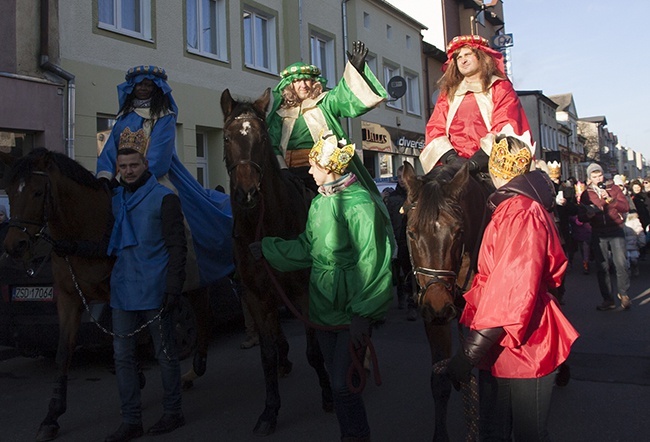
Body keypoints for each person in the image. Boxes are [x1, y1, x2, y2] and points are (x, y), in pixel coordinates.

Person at [254, 131, 393, 441]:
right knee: (335, 381)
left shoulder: (361, 206)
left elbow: (373, 261)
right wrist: (268, 248)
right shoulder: (319, 203)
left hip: (350, 312)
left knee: (344, 384)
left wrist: (363, 314)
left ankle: (357, 435)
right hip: (321, 310)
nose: (310, 172)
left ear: (330, 168)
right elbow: (308, 248)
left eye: (314, 167)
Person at [445, 135, 579, 441]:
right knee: (494, 430)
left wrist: (469, 353)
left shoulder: (520, 212)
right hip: (501, 340)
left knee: (528, 433)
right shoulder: (509, 208)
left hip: (525, 343)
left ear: (496, 169)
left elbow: (513, 289)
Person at [97, 65, 233, 288]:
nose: (143, 88)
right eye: (139, 84)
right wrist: (105, 177)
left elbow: (159, 155)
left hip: (157, 175)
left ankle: (188, 276)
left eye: (148, 84)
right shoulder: (123, 118)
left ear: (156, 88)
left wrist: (133, 175)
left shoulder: (164, 117)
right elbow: (110, 150)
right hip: (124, 176)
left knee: (177, 211)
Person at [104, 130, 187, 442]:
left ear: (145, 164)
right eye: (122, 166)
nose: (127, 171)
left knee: (165, 355)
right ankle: (131, 421)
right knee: (122, 358)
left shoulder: (165, 198)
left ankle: (173, 412)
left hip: (155, 289)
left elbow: (178, 247)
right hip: (122, 291)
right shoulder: (114, 201)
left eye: (133, 165)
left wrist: (173, 288)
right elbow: (104, 245)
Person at [266, 41, 389, 219]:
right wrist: (284, 171)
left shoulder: (325, 102)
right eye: (298, 80)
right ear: (289, 85)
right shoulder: (280, 114)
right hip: (288, 173)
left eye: (307, 79)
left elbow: (344, 95)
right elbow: (273, 144)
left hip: (325, 171)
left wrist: (355, 70)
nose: (303, 85)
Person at [422, 35, 534, 178]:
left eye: (468, 54)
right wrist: (451, 159)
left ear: (481, 56)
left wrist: (475, 162)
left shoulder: (499, 87)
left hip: (491, 165)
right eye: (458, 57)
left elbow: (506, 125)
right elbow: (435, 128)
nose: (463, 60)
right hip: (453, 165)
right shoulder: (448, 94)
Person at [579, 163, 631, 310]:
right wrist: (588, 215)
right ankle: (608, 299)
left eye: (600, 175)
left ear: (603, 175)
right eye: (594, 177)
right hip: (598, 231)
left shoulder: (613, 189)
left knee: (620, 263)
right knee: (602, 266)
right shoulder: (586, 194)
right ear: (590, 178)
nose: (598, 179)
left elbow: (625, 207)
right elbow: (581, 216)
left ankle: (624, 294)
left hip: (615, 228)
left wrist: (611, 200)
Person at [384, 165, 417, 320]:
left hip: (412, 241)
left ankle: (412, 303)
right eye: (399, 177)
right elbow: (388, 221)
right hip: (397, 240)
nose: (402, 181)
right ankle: (401, 296)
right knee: (399, 272)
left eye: (404, 177)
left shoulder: (416, 197)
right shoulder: (392, 199)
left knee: (411, 273)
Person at [624, 212, 645, 277]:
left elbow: (639, 232)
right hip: (623, 245)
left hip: (633, 244)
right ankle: (627, 272)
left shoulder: (634, 221)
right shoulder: (618, 220)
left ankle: (634, 267)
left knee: (633, 259)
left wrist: (641, 242)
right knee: (626, 260)